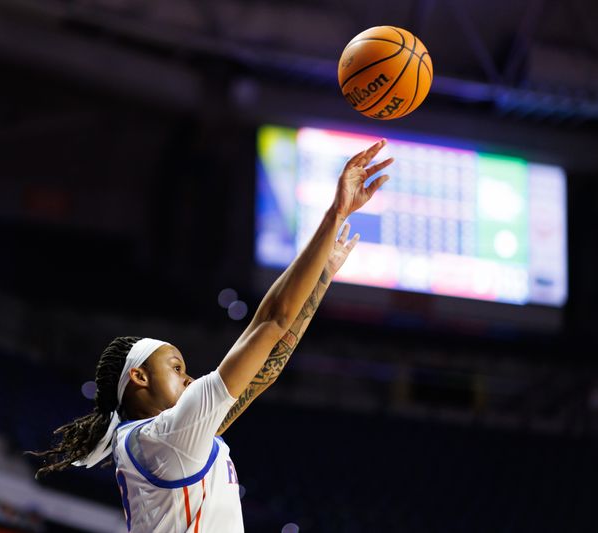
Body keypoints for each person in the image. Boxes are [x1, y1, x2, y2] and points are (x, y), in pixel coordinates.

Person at [28, 140, 393, 532]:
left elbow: (266, 367)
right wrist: (335, 215)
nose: (188, 377)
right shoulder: (168, 437)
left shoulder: (168, 438)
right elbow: (271, 321)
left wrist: (322, 276)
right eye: (176, 367)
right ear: (139, 377)